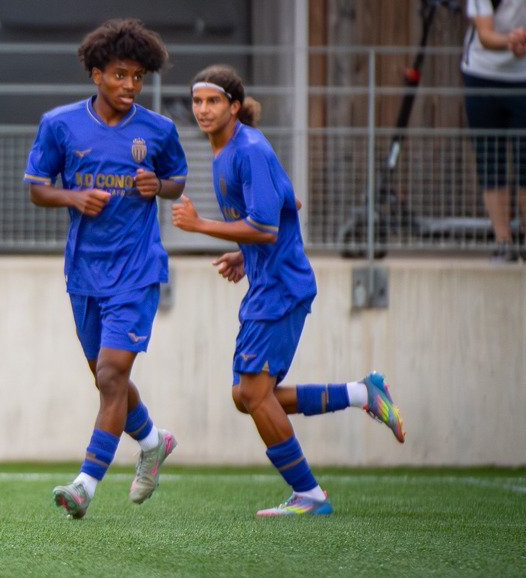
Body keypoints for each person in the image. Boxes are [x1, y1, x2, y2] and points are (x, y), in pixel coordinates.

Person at [171, 65, 406, 516]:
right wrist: (245, 254)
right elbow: (289, 202)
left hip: (281, 286)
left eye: (213, 101)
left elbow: (265, 225)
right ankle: (363, 394)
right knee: (246, 395)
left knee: (253, 394)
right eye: (197, 101)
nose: (202, 110)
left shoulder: (249, 149)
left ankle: (310, 495)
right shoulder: (229, 150)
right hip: (268, 281)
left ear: (234, 106)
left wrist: (201, 225)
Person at [23, 18, 186, 520]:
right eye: (120, 75)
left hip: (137, 270)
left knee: (113, 372)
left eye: (137, 76)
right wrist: (72, 196)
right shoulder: (60, 124)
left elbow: (177, 180)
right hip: (84, 272)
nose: (130, 85)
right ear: (96, 74)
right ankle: (153, 443)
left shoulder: (158, 129)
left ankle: (85, 484)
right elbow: (36, 188)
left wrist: (158, 187)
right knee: (105, 377)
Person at [461, 0, 526, 264]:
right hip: (483, 75)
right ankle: (503, 241)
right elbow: (484, 34)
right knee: (489, 158)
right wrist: (513, 39)